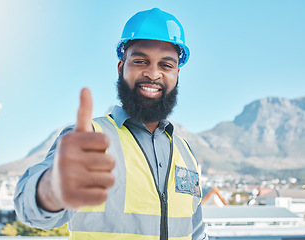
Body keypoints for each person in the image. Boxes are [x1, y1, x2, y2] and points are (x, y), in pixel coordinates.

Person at [14, 8, 208, 240]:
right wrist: (51, 189)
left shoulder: (186, 152)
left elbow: (196, 232)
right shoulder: (88, 138)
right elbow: (29, 208)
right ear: (121, 68)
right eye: (140, 61)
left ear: (177, 73)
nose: (153, 74)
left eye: (166, 65)